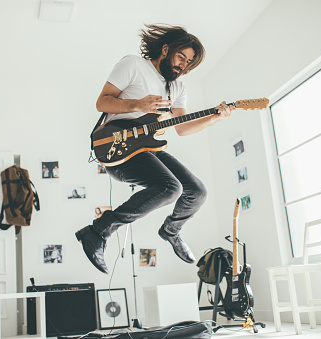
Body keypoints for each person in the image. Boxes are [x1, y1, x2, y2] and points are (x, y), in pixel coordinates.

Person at [75, 24, 235, 274]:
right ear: (166, 49)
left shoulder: (177, 88)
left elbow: (182, 127)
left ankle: (171, 230)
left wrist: (215, 117)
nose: (183, 65)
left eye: (189, 62)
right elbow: (102, 102)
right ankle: (97, 231)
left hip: (149, 147)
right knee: (171, 188)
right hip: (118, 146)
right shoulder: (134, 65)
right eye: (181, 56)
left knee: (197, 192)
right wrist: (137, 104)